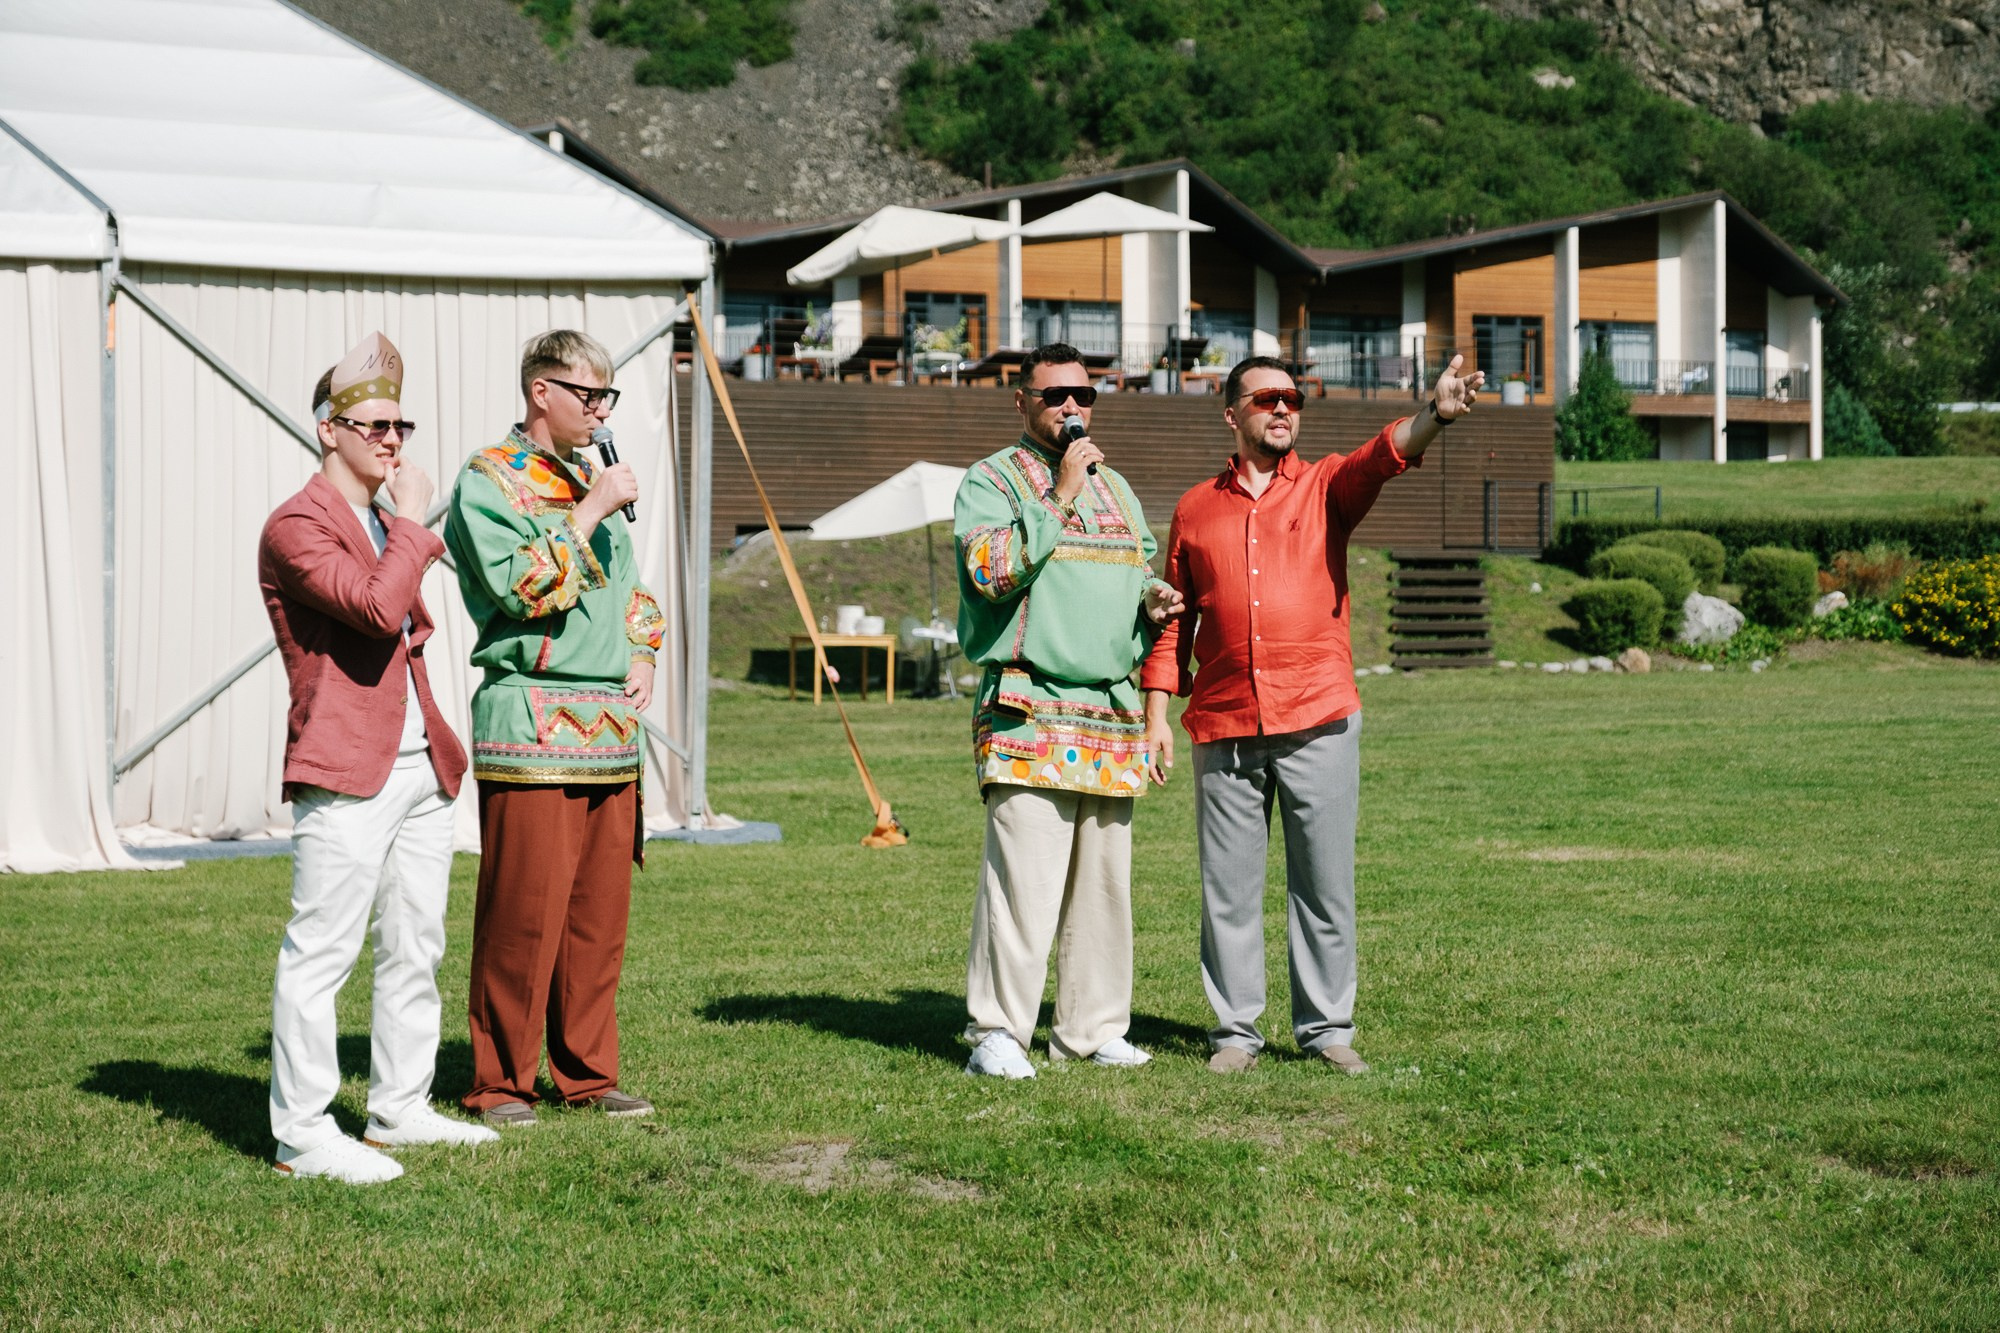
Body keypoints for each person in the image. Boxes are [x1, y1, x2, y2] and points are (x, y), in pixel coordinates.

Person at [1141, 354, 1484, 1075]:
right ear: (1230, 413)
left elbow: (1381, 457)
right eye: (1265, 397)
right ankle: (1237, 1032)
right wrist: (1155, 715)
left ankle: (1327, 1028)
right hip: (1226, 722)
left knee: (1323, 886)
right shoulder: (1194, 508)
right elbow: (1171, 620)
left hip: (1319, 715)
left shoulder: (1326, 484)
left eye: (1292, 397)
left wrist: (1435, 414)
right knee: (1227, 892)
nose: (1282, 407)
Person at [259, 332, 497, 1185]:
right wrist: (413, 522)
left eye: (403, 425)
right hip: (343, 760)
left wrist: (399, 528)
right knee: (322, 949)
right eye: (375, 425)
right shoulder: (296, 523)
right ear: (329, 429)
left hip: (417, 762)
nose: (393, 440)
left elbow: (408, 627)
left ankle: (400, 1105)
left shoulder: (375, 519)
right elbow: (373, 606)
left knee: (416, 940)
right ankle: (302, 1132)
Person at [446, 329, 665, 1128]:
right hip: (532, 715)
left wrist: (643, 648)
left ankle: (586, 1072)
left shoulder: (590, 480)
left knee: (596, 918)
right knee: (523, 911)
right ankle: (501, 1082)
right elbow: (523, 588)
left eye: (608, 397)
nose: (601, 411)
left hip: (610, 723)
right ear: (541, 391)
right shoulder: (489, 482)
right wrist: (589, 509)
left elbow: (631, 590)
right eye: (589, 395)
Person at [954, 342, 1185, 1079]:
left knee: (1103, 884)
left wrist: (1153, 598)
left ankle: (1091, 1028)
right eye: (1054, 396)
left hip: (1107, 710)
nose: (1071, 408)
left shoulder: (1116, 488)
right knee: (1024, 878)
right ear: (1021, 402)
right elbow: (990, 571)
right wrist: (1057, 491)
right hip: (1030, 702)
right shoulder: (989, 481)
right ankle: (998, 1031)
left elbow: (1135, 570)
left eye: (1084, 395)